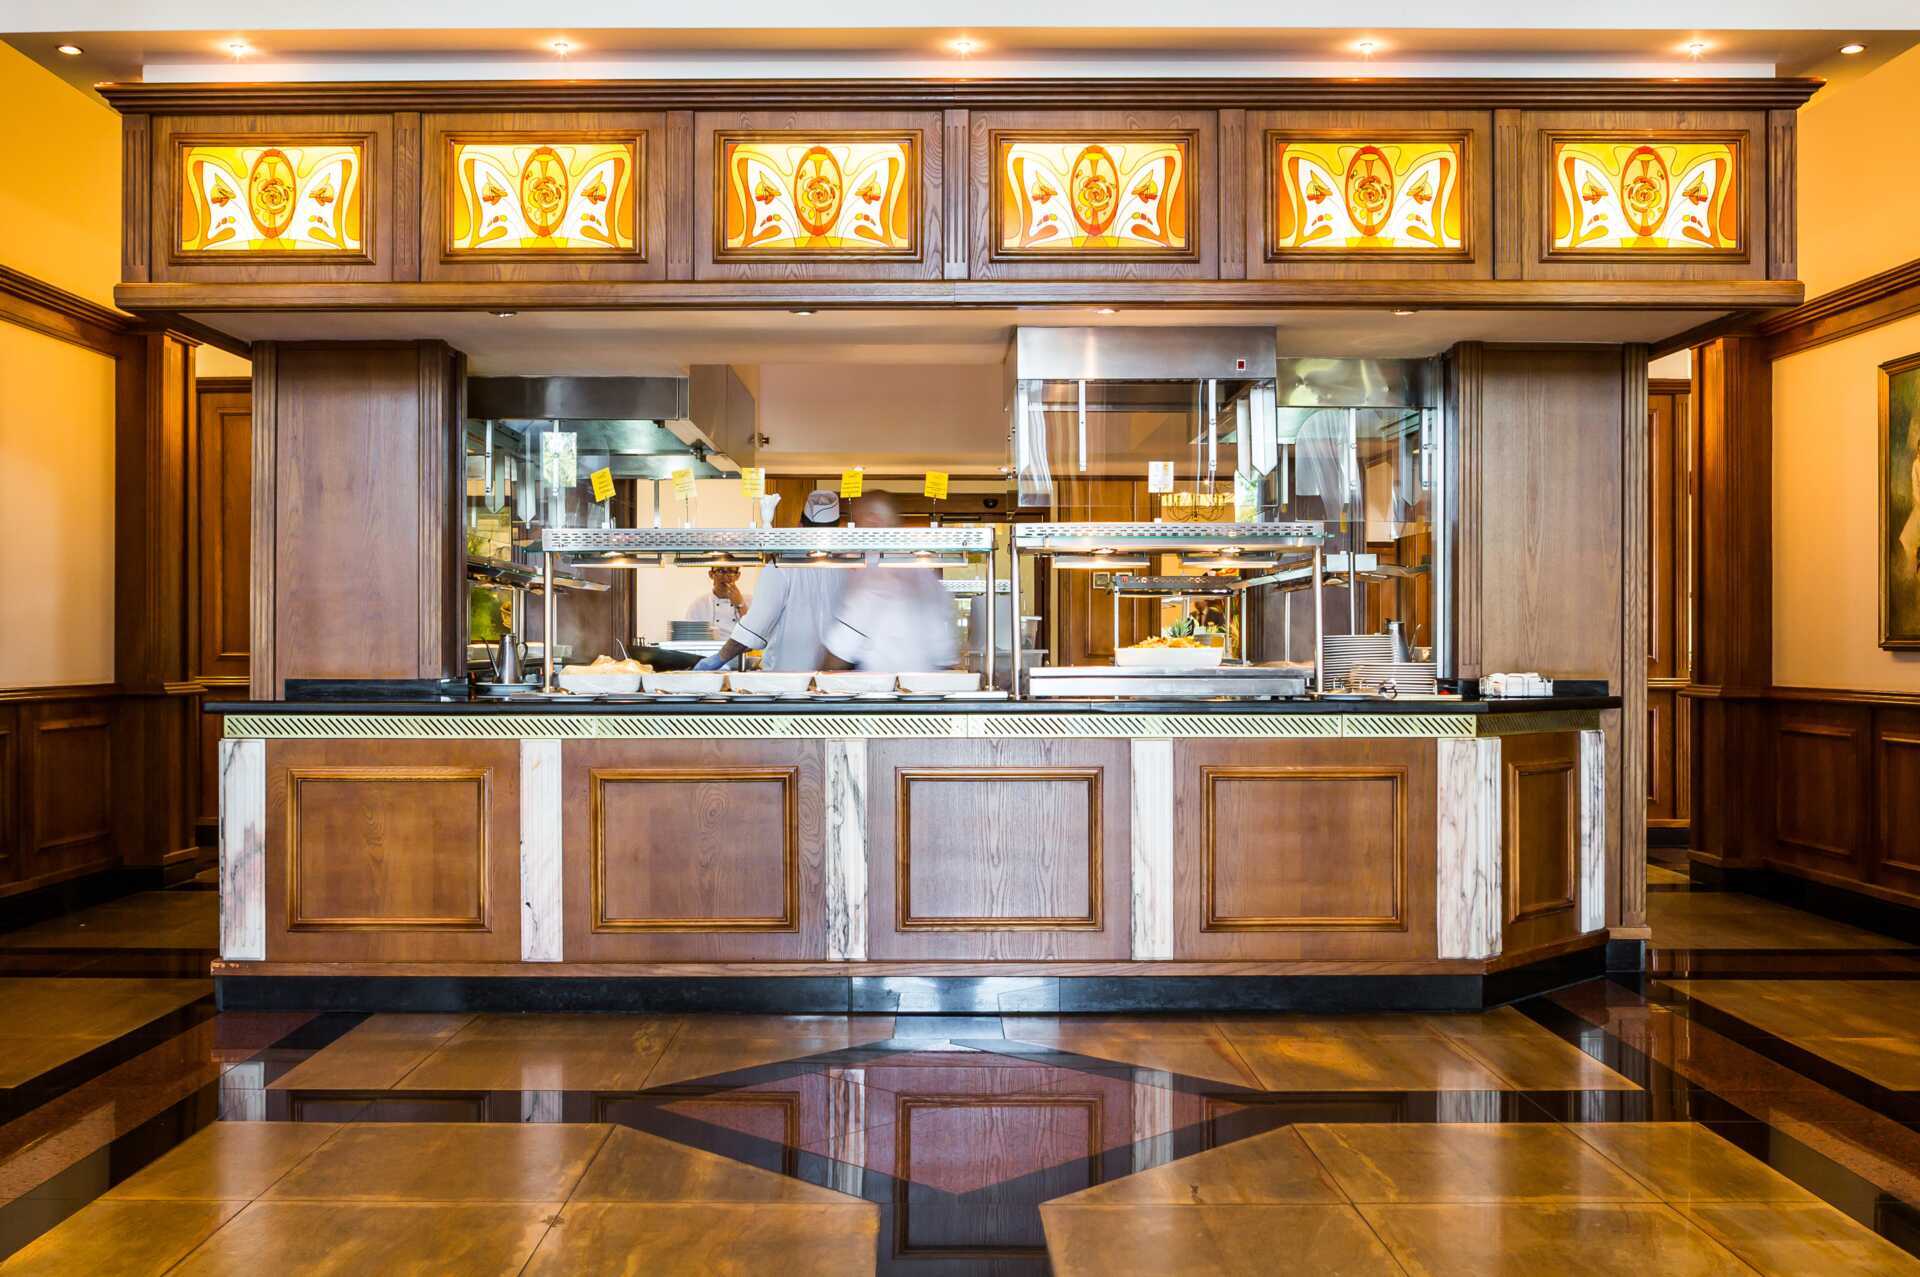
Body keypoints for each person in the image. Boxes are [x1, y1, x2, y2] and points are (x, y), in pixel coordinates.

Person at [696, 491, 848, 671]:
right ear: (838, 529)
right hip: (833, 678)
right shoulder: (850, 567)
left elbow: (757, 625)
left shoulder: (780, 567)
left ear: (800, 526)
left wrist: (719, 658)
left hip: (785, 678)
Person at [822, 491, 959, 672]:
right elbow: (945, 656)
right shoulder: (927, 576)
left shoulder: (874, 574)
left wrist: (817, 679)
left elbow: (841, 649)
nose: (854, 532)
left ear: (873, 521)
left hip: (882, 687)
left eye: (857, 523)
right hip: (926, 686)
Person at [684, 565, 749, 629]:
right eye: (720, 571)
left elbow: (753, 628)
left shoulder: (750, 601)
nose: (725, 576)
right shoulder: (699, 604)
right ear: (711, 574)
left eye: (730, 571)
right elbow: (688, 631)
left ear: (737, 575)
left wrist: (740, 604)